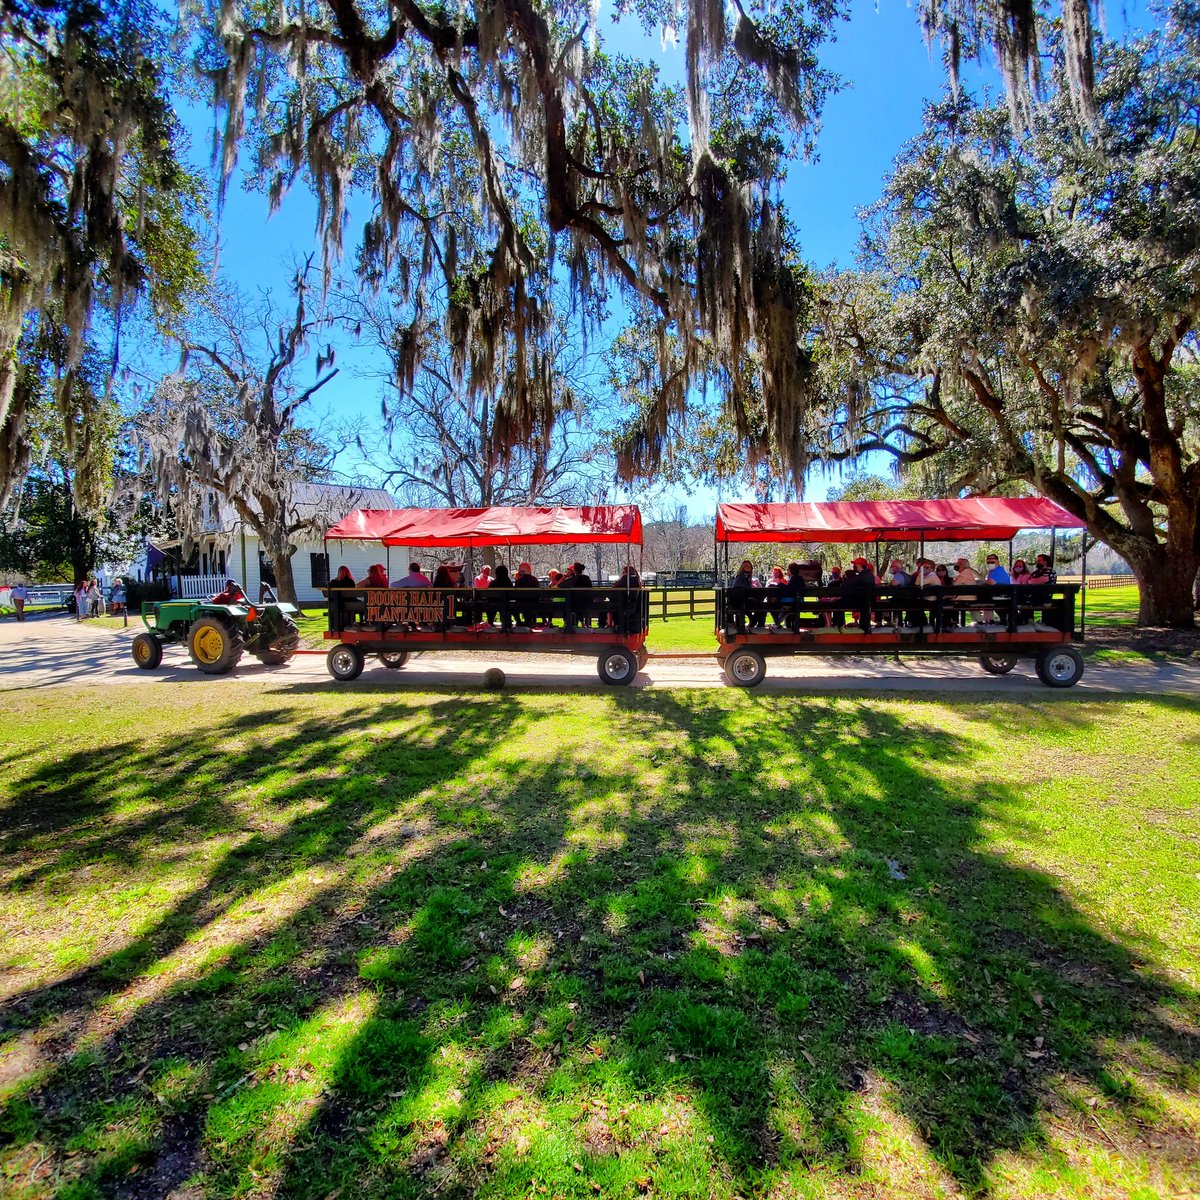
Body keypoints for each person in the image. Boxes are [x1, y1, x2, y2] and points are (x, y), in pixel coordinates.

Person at [840, 557, 876, 633]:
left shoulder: (862, 577)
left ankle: (838, 625)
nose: (854, 567)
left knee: (836, 604)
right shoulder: (868, 575)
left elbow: (844, 584)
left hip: (862, 602)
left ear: (859, 566)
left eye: (855, 565)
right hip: (867, 601)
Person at [513, 561, 541, 628]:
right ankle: (528, 622)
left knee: (510, 606)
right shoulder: (534, 580)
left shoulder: (519, 581)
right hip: (534, 603)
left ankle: (519, 622)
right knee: (529, 606)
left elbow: (514, 594)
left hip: (520, 604)